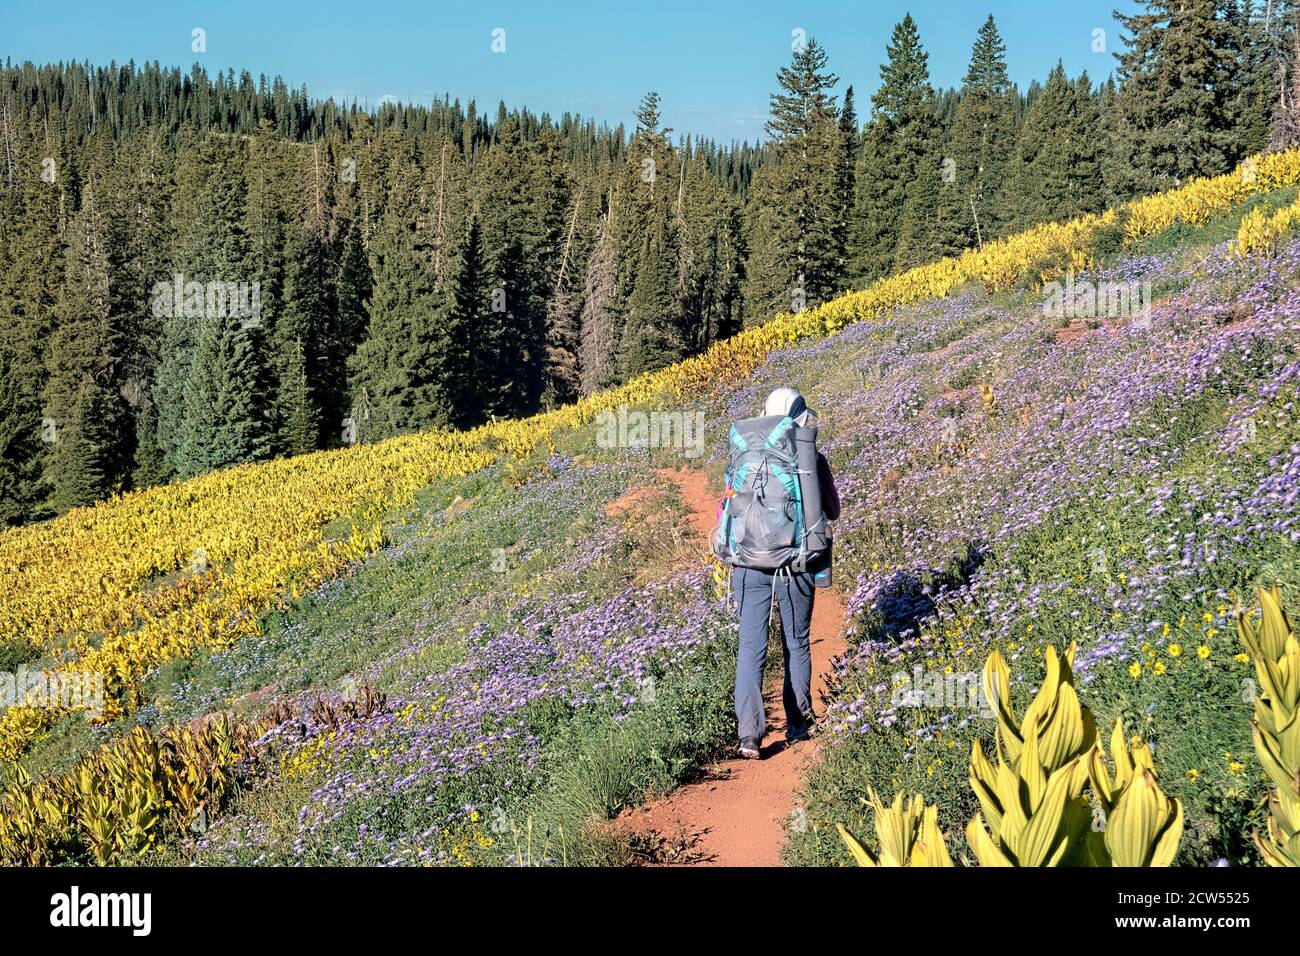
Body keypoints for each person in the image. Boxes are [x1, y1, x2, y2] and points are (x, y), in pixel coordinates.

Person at [727, 387, 839, 759]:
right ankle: (797, 724)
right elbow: (832, 511)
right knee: (795, 642)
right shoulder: (809, 459)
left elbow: (732, 508)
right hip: (795, 563)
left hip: (747, 562)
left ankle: (749, 736)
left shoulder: (745, 453)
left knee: (750, 648)